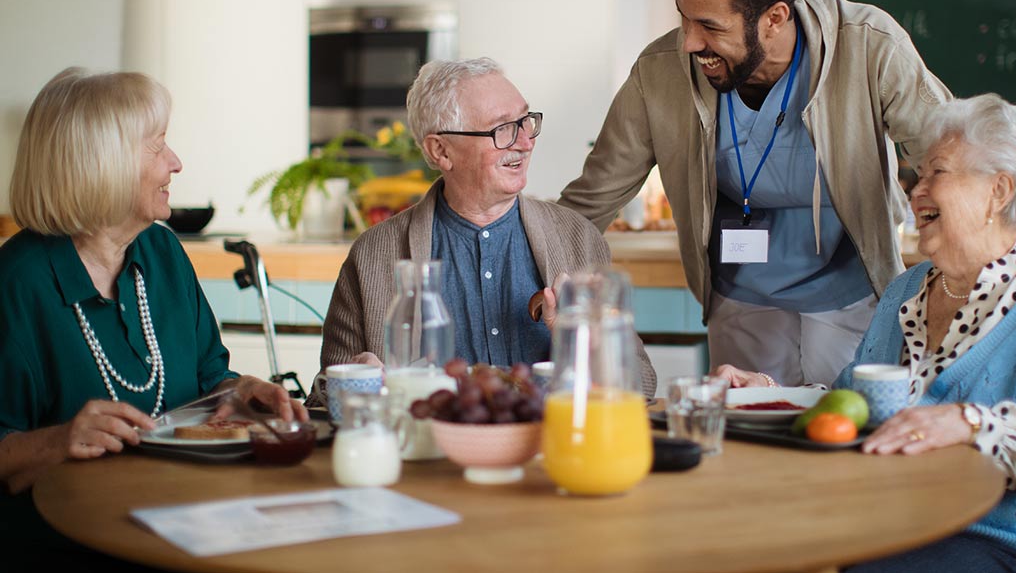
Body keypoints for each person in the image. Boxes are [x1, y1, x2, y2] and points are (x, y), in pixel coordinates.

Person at [558, 0, 951, 388]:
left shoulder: (868, 45)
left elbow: (951, 154)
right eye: (683, 16)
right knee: (750, 434)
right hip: (741, 295)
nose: (689, 42)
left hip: (851, 293)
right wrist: (543, 272)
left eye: (709, 25)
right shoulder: (660, 73)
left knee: (844, 432)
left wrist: (955, 271)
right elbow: (591, 199)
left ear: (775, 19)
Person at [740, 94, 1016, 571]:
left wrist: (969, 423)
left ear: (999, 191)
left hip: (999, 538)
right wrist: (766, 396)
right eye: (919, 174)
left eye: (938, 172)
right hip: (893, 517)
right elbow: (853, 402)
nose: (915, 190)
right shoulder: (906, 289)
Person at [0, 68, 306, 556]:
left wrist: (240, 389)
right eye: (158, 144)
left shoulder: (161, 253)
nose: (176, 162)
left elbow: (210, 378)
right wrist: (60, 440)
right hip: (69, 543)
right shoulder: (17, 284)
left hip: (187, 523)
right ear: (104, 161)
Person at [315, 58, 657, 398]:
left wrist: (580, 341)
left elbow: (640, 385)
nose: (525, 141)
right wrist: (353, 384)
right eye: (502, 129)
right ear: (441, 151)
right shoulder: (373, 254)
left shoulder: (578, 238)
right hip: (429, 450)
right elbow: (321, 399)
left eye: (525, 121)